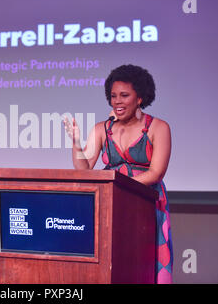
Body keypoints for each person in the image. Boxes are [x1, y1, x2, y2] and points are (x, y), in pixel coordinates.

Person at [63, 64, 173, 284]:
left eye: (124, 95)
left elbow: (156, 173)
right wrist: (76, 143)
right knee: (114, 259)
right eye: (113, 96)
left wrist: (119, 186)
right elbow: (84, 170)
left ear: (140, 98)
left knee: (145, 261)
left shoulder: (158, 127)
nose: (117, 101)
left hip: (146, 202)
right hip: (111, 202)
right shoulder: (101, 129)